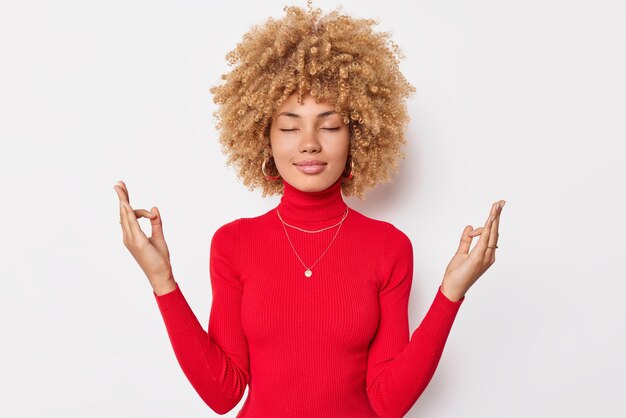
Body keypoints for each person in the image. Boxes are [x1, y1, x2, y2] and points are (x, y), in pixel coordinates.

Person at [114, 2, 505, 417]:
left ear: (358, 135)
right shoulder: (233, 244)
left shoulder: (389, 247)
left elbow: (389, 402)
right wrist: (162, 279)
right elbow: (222, 393)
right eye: (289, 126)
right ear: (263, 138)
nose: (309, 143)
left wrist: (451, 292)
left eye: (330, 125)